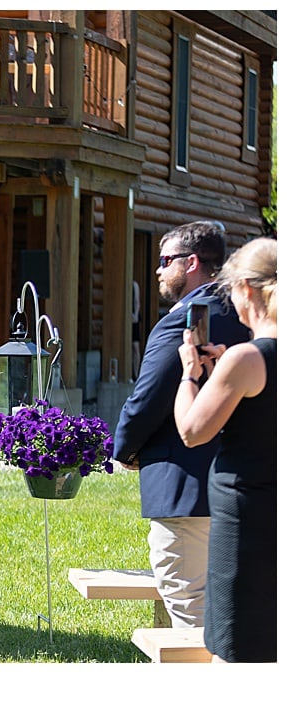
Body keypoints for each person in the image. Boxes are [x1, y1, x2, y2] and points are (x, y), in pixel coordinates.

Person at [113, 221, 250, 628]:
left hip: (183, 489)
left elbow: (147, 400)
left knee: (191, 615)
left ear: (191, 263)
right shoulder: (245, 317)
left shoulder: (180, 323)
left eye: (164, 260)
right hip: (240, 487)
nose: (157, 270)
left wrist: (124, 449)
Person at [173, 237, 276, 662]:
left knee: (236, 649)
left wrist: (191, 376)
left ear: (246, 290)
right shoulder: (247, 360)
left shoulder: (247, 359)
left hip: (247, 519)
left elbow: (193, 430)